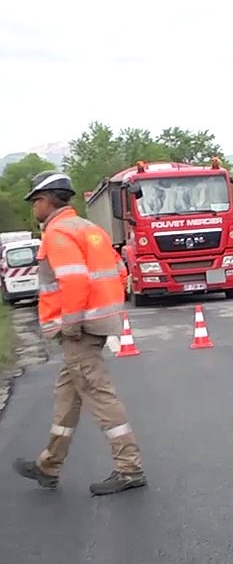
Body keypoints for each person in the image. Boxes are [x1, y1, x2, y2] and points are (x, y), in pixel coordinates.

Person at [11, 171, 147, 496]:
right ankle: (49, 464)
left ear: (46, 201)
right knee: (66, 397)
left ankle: (129, 468)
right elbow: (119, 270)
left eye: (35, 202)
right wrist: (106, 313)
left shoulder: (58, 233)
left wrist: (71, 323)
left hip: (80, 330)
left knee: (99, 394)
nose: (34, 209)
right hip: (98, 324)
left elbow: (74, 281)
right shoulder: (90, 229)